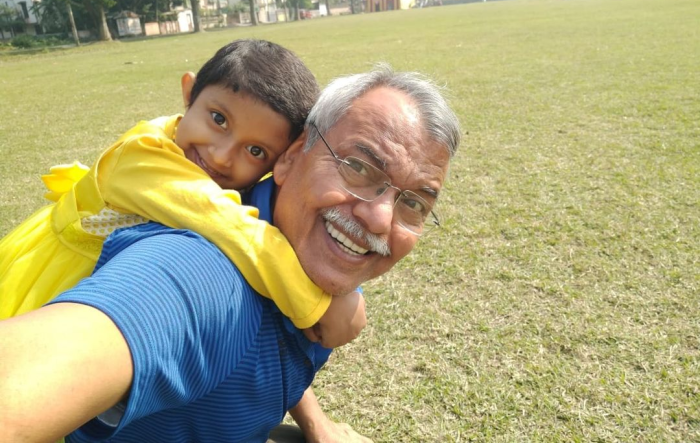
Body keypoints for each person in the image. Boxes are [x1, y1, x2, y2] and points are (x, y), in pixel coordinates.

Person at [0, 64, 461, 443]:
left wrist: (316, 423)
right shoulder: (204, 273)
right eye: (357, 167)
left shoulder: (315, 251)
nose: (379, 219)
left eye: (415, 203)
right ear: (291, 157)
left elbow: (272, 339)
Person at [0, 38, 360, 347]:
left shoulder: (209, 165)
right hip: (53, 280)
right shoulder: (142, 157)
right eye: (219, 119)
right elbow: (228, 225)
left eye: (255, 151)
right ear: (189, 93)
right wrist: (316, 304)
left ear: (279, 161)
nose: (221, 155)